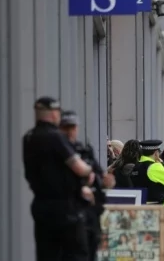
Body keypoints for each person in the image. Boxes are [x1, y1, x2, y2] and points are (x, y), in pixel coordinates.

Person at [23, 97, 94, 261]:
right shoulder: (55, 137)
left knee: (47, 254)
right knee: (76, 254)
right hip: (64, 207)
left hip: (40, 204)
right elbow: (79, 167)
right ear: (54, 114)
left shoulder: (29, 137)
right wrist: (89, 170)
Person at [59, 110, 115, 261]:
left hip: (91, 214)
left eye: (72, 127)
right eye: (66, 128)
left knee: (91, 252)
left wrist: (105, 180)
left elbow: (100, 175)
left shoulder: (83, 150)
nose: (70, 132)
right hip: (71, 215)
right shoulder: (58, 152)